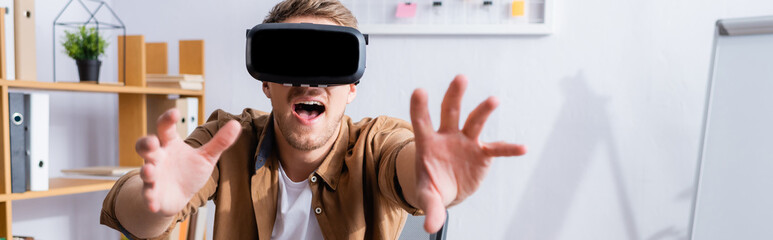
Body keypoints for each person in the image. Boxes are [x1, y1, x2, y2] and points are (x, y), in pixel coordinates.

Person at [100, 0, 526, 239]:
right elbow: (134, 214)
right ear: (266, 84)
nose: (310, 82)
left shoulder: (376, 144)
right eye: (292, 61)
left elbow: (403, 164)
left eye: (329, 64)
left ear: (352, 87)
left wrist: (428, 176)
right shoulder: (229, 139)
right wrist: (156, 203)